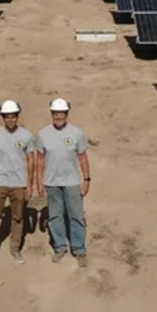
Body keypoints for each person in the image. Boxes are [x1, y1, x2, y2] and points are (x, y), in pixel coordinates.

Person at [35, 98, 91, 267]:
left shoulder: (76, 133)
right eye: (55, 113)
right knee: (55, 216)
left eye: (61, 113)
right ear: (51, 114)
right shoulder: (43, 134)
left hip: (72, 182)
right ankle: (60, 246)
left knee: (76, 215)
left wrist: (87, 179)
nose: (58, 116)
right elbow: (39, 160)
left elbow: (82, 157)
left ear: (67, 114)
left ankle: (79, 249)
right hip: (52, 183)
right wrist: (39, 181)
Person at [0, 99, 35, 268]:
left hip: (19, 184)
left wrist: (30, 185)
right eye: (7, 117)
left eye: (13, 116)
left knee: (18, 218)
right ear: (3, 118)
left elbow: (31, 160)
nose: (10, 120)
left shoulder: (26, 136)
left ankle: (15, 248)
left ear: (17, 117)